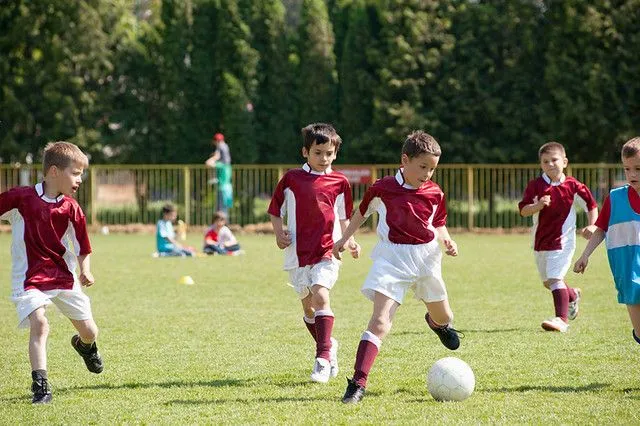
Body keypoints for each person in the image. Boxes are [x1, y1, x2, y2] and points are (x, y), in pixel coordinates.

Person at [333, 130, 460, 404]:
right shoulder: (383, 188)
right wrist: (345, 238)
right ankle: (358, 383)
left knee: (445, 316)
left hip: (426, 258)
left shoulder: (436, 192)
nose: (427, 174)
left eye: (432, 169)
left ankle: (437, 324)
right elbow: (361, 213)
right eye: (422, 167)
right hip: (392, 259)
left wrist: (447, 240)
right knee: (380, 322)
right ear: (405, 160)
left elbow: (438, 223)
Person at [0, 141, 104, 404]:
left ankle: (84, 346)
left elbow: (82, 246)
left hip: (63, 278)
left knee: (90, 331)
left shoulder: (71, 208)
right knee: (41, 323)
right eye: (76, 173)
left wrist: (86, 269)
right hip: (30, 280)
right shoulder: (21, 199)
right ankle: (41, 385)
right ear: (55, 172)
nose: (80, 179)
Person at [268, 123, 361, 384]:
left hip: (326, 250)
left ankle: (321, 358)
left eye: (329, 153)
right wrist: (278, 233)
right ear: (305, 152)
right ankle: (329, 344)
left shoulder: (340, 182)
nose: (324, 158)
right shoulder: (291, 179)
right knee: (308, 308)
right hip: (298, 254)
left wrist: (349, 240)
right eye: (318, 153)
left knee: (321, 296)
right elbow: (275, 210)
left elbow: (344, 216)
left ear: (335, 154)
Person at [518, 141, 598, 333]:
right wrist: (538, 206)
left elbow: (591, 205)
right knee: (549, 282)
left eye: (554, 160)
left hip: (563, 242)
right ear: (541, 164)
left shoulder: (573, 186)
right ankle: (572, 295)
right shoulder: (535, 185)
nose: (550, 164)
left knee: (554, 279)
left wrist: (593, 224)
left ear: (565, 162)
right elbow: (523, 210)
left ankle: (561, 320)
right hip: (540, 242)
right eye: (545, 162)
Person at [574, 136, 640, 344]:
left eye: (638, 169)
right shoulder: (615, 198)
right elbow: (601, 228)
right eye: (627, 169)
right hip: (628, 273)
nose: (632, 175)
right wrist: (585, 255)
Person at [205, 133, 233, 215]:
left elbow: (216, 156)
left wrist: (210, 160)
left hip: (222, 168)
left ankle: (213, 178)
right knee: (223, 207)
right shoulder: (225, 146)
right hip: (225, 169)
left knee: (221, 207)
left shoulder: (220, 146)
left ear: (215, 141)